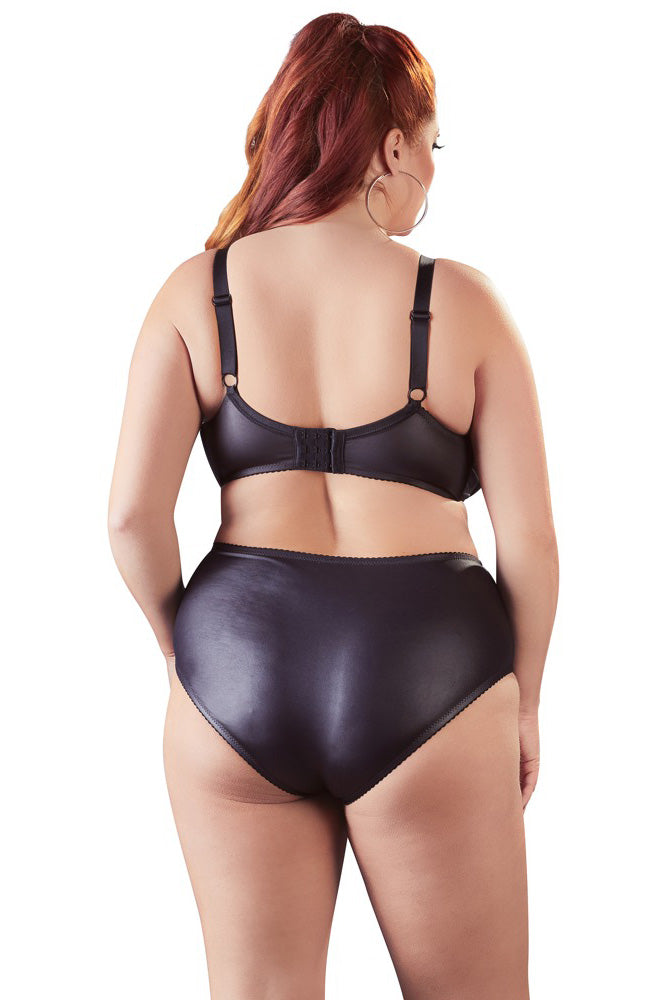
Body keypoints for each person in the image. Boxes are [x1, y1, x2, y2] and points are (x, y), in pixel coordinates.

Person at [108, 13, 558, 1000]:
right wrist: (525, 701)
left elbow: (132, 519)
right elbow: (529, 540)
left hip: (240, 660)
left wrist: (186, 653)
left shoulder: (195, 292)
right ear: (391, 148)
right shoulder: (463, 303)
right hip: (431, 664)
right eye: (432, 146)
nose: (430, 173)